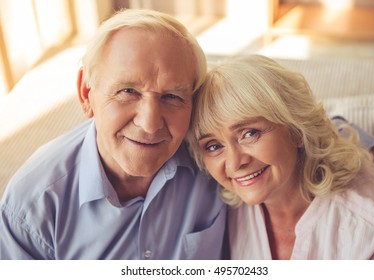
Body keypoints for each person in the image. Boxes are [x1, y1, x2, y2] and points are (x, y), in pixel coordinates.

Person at [0, 9, 227, 260]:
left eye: (172, 96)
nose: (150, 124)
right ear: (87, 94)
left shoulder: (218, 159)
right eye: (128, 91)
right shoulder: (30, 207)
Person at [187, 54, 374, 259]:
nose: (234, 163)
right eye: (213, 146)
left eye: (250, 133)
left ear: (297, 131)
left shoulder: (373, 231)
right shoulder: (222, 211)